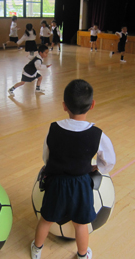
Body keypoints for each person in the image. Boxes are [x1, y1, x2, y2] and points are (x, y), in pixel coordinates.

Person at [31, 79, 116, 259]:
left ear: (64, 106)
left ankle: (37, 249)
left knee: (46, 220)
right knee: (80, 224)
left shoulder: (53, 129)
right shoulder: (97, 134)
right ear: (92, 105)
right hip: (81, 185)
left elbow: (46, 156)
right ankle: (82, 254)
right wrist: (97, 167)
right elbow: (109, 161)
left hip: (56, 183)